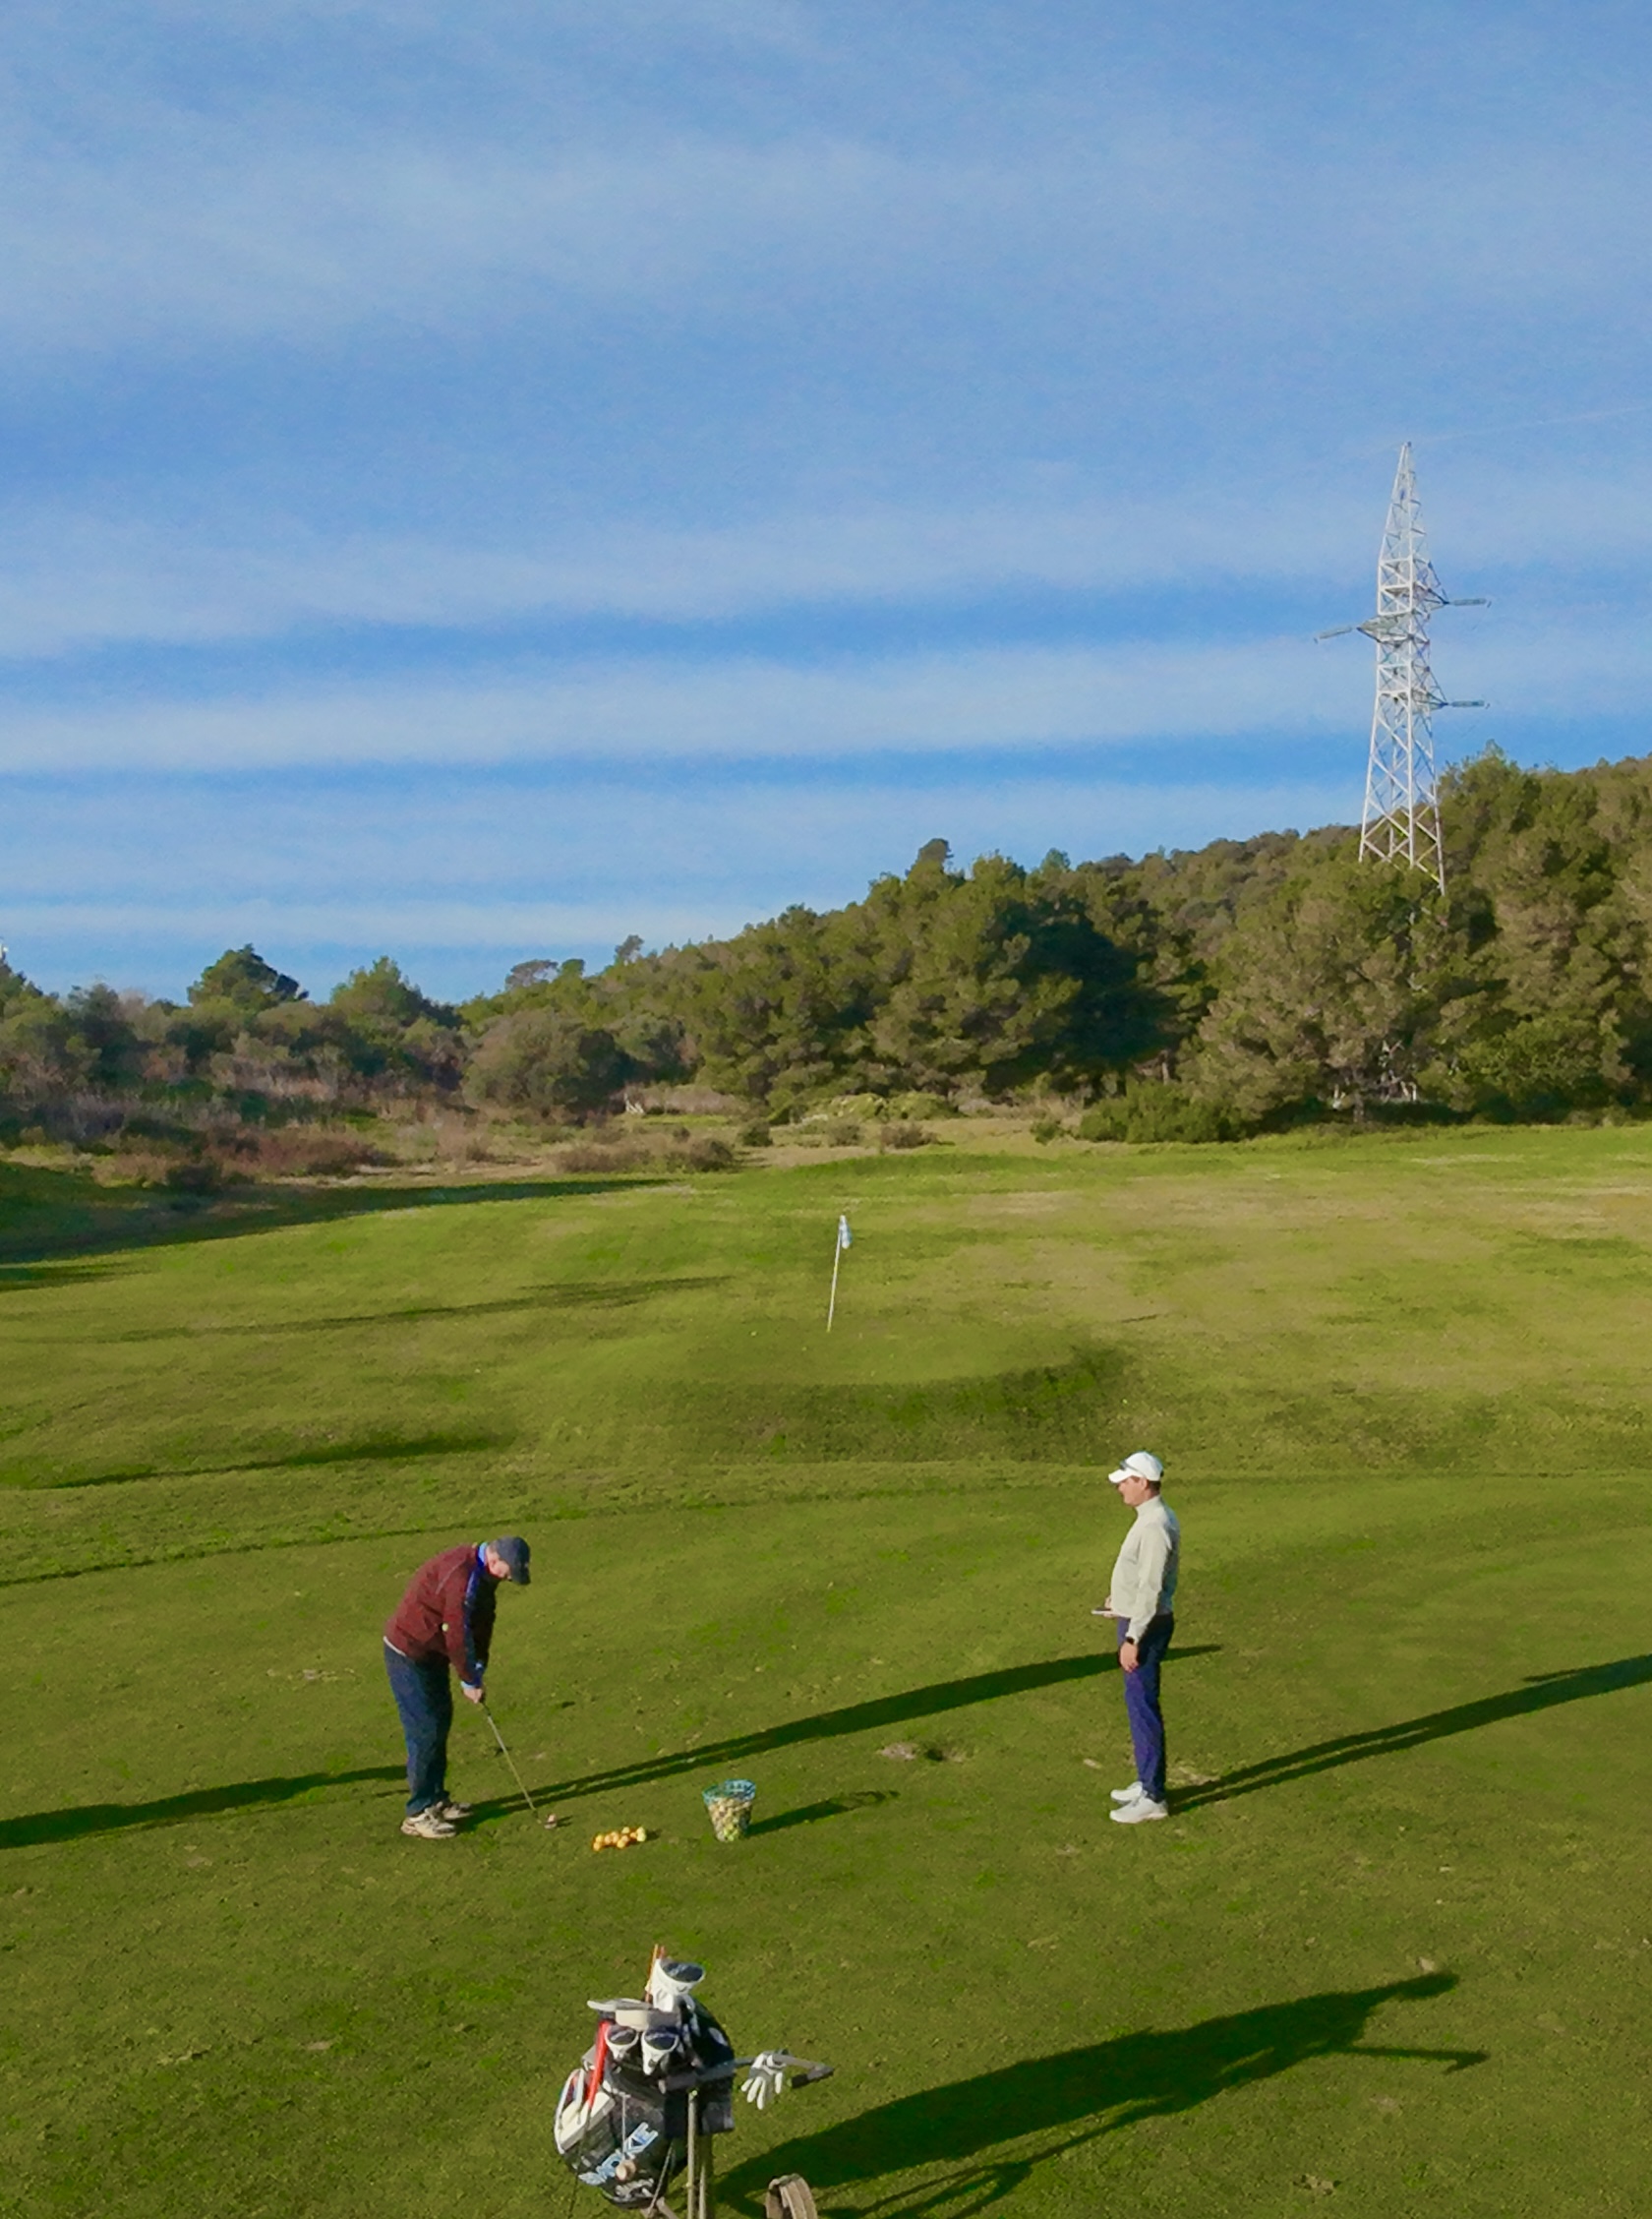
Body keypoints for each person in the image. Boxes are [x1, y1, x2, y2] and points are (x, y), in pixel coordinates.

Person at [384, 1536, 531, 1839]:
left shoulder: (485, 1576)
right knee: (425, 1729)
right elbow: (457, 1631)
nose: (507, 1577)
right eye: (507, 1571)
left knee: (440, 1722)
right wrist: (469, 1680)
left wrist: (479, 1666)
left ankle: (436, 1799)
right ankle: (417, 1813)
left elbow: (483, 1621)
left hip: (432, 1652)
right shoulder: (461, 1576)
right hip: (408, 1652)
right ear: (494, 1559)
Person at [1096, 1451, 1179, 1825]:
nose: (1120, 1489)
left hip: (1145, 1628)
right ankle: (1146, 1781)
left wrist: (1132, 1638)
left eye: (1125, 1482)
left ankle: (1154, 1796)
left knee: (1143, 1708)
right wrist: (1121, 1601)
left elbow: (1151, 1587)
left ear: (1142, 1483)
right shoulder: (1149, 1519)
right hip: (1136, 1619)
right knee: (1137, 1706)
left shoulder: (1154, 1525)